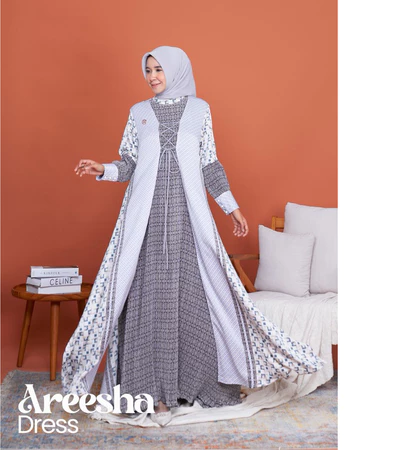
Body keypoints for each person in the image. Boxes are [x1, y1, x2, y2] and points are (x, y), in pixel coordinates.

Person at [65, 46, 325, 427]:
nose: (153, 76)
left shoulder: (199, 111)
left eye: (159, 69)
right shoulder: (138, 114)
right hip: (146, 226)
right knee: (148, 303)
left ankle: (194, 387)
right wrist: (103, 168)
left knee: (193, 301)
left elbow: (209, 163)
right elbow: (130, 163)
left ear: (176, 70)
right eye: (148, 70)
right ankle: (152, 395)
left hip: (188, 223)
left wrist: (232, 208)